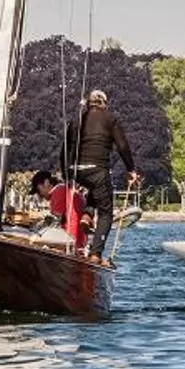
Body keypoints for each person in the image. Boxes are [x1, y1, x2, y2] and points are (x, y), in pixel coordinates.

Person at [63, 89, 138, 257]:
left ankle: (87, 215)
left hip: (76, 171)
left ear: (88, 103)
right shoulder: (109, 119)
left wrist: (66, 174)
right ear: (104, 103)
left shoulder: (76, 120)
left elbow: (64, 149)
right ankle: (96, 254)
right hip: (97, 170)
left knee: (95, 190)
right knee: (106, 213)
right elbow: (123, 146)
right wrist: (131, 169)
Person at [46, 172, 88, 251]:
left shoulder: (59, 191)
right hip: (80, 241)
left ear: (46, 183)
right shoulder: (73, 192)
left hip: (69, 239)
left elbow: (57, 217)